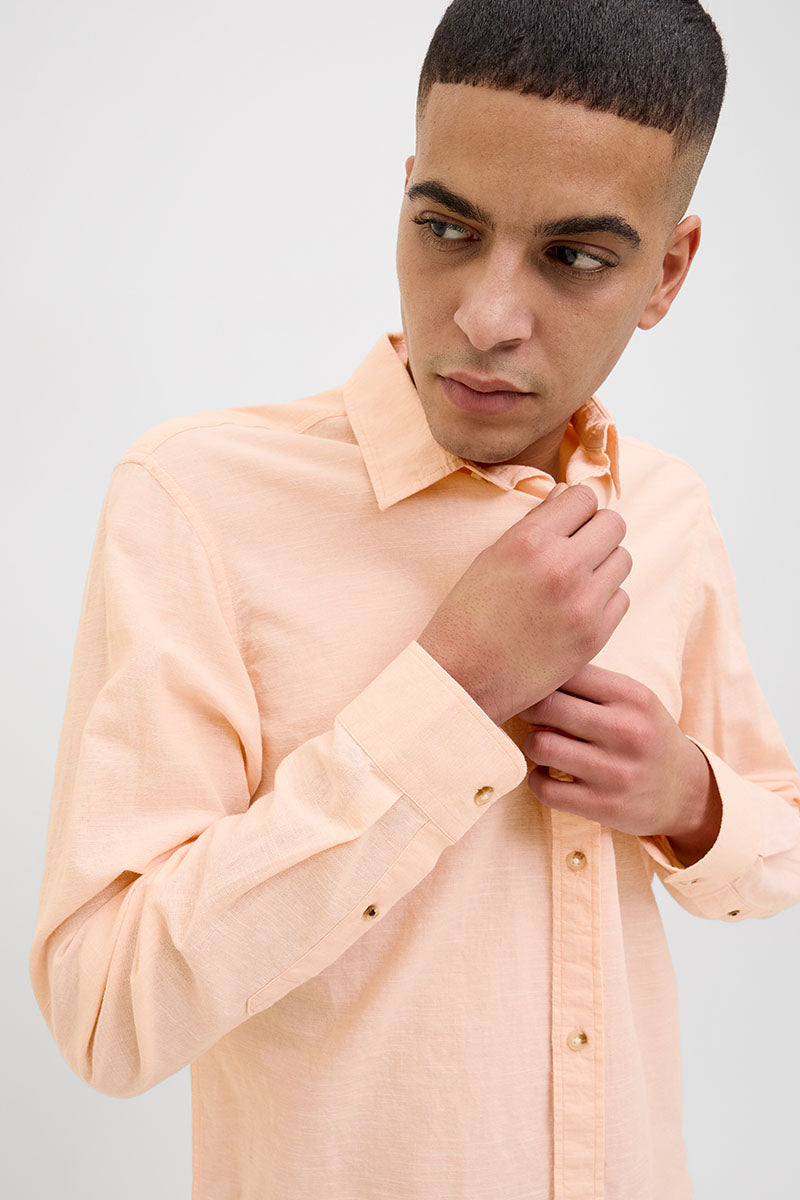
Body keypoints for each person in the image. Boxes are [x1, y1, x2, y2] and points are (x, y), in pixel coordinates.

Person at [29, 0, 800, 1197]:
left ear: (666, 272)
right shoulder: (196, 498)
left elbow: (774, 842)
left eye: (573, 257)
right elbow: (104, 1014)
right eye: (446, 227)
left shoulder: (666, 509)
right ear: (404, 196)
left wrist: (687, 799)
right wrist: (449, 695)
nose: (484, 318)